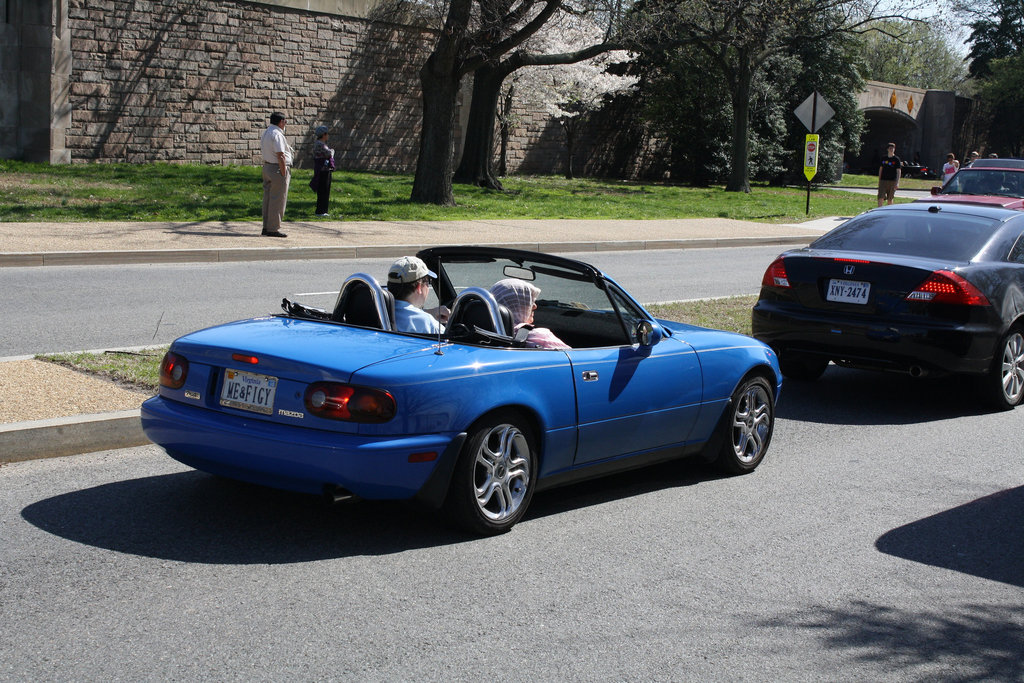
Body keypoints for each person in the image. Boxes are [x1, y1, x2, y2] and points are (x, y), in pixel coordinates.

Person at [489, 278, 570, 350]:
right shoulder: (540, 337)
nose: (535, 306)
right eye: (529, 301)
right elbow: (574, 358)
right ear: (516, 305)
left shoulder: (484, 334)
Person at [387, 256, 446, 334]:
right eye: (428, 282)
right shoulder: (427, 323)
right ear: (419, 287)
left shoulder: (379, 310)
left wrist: (429, 312)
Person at [260, 112, 293, 238]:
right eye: (285, 122)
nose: (285, 124)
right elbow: (280, 155)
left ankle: (266, 226)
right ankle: (273, 228)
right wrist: (284, 171)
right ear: (281, 122)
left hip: (268, 167)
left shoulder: (267, 132)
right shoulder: (277, 134)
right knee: (278, 200)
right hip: (277, 168)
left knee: (268, 199)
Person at [309, 125, 334, 217]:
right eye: (327, 133)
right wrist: (331, 153)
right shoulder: (320, 144)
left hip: (324, 169)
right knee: (323, 190)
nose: (328, 135)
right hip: (323, 170)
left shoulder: (320, 144)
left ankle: (323, 210)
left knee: (325, 190)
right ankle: (321, 211)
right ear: (323, 135)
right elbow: (329, 154)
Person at [877, 142, 901, 207]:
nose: (891, 149)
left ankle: (889, 211)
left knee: (890, 199)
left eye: (893, 148)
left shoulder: (896, 159)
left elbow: (898, 171)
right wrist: (879, 180)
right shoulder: (883, 158)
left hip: (892, 181)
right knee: (880, 197)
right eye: (890, 148)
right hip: (883, 180)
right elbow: (880, 169)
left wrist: (897, 182)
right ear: (887, 149)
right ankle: (879, 211)